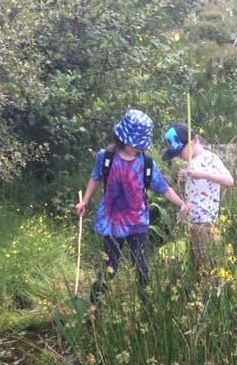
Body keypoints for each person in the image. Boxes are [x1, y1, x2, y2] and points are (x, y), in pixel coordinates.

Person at [75, 109, 188, 303]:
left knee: (142, 270)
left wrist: (182, 205)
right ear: (123, 138)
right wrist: (84, 201)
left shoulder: (147, 163)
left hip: (138, 224)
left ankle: (147, 312)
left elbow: (164, 189)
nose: (138, 147)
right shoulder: (106, 157)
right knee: (109, 269)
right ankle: (93, 311)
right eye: (135, 143)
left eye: (141, 144)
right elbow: (95, 178)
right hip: (111, 223)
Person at [161, 123, 234, 267]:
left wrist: (203, 175)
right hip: (193, 223)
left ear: (193, 141)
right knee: (200, 262)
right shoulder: (189, 163)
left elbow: (229, 181)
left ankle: (213, 286)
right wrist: (184, 208)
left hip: (207, 222)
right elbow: (191, 193)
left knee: (210, 263)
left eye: (180, 152)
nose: (179, 158)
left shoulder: (210, 158)